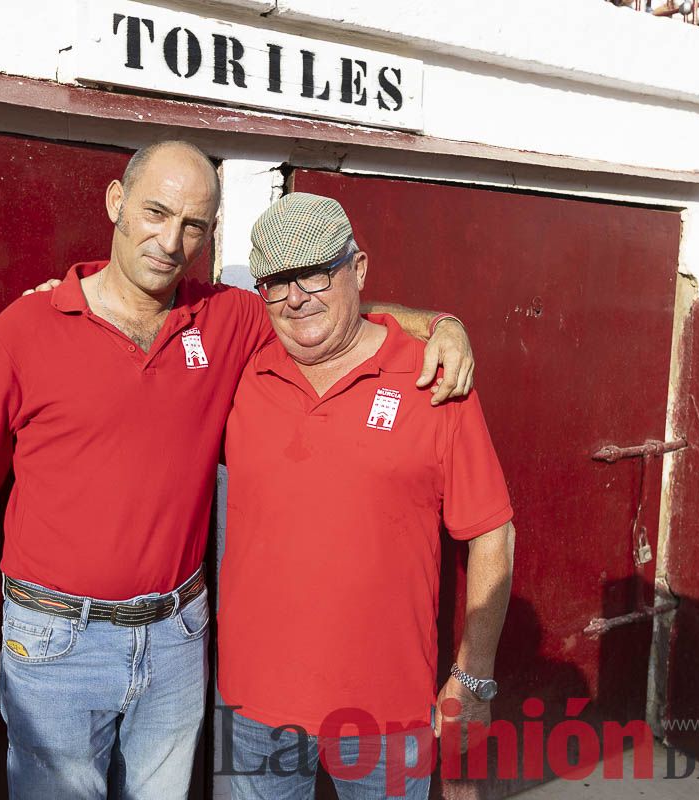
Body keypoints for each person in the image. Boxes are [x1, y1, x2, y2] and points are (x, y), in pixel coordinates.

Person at [0, 140, 476, 800]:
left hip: (176, 639)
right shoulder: (26, 326)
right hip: (56, 644)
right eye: (156, 212)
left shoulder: (223, 317)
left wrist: (445, 325)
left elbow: (339, 314)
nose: (171, 241)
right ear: (117, 202)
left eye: (193, 225)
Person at [218, 194, 516, 800]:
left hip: (388, 713)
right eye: (276, 281)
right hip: (252, 704)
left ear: (358, 270)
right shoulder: (243, 365)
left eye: (315, 273)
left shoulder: (432, 378)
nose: (295, 297)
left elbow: (492, 532)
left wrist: (472, 675)